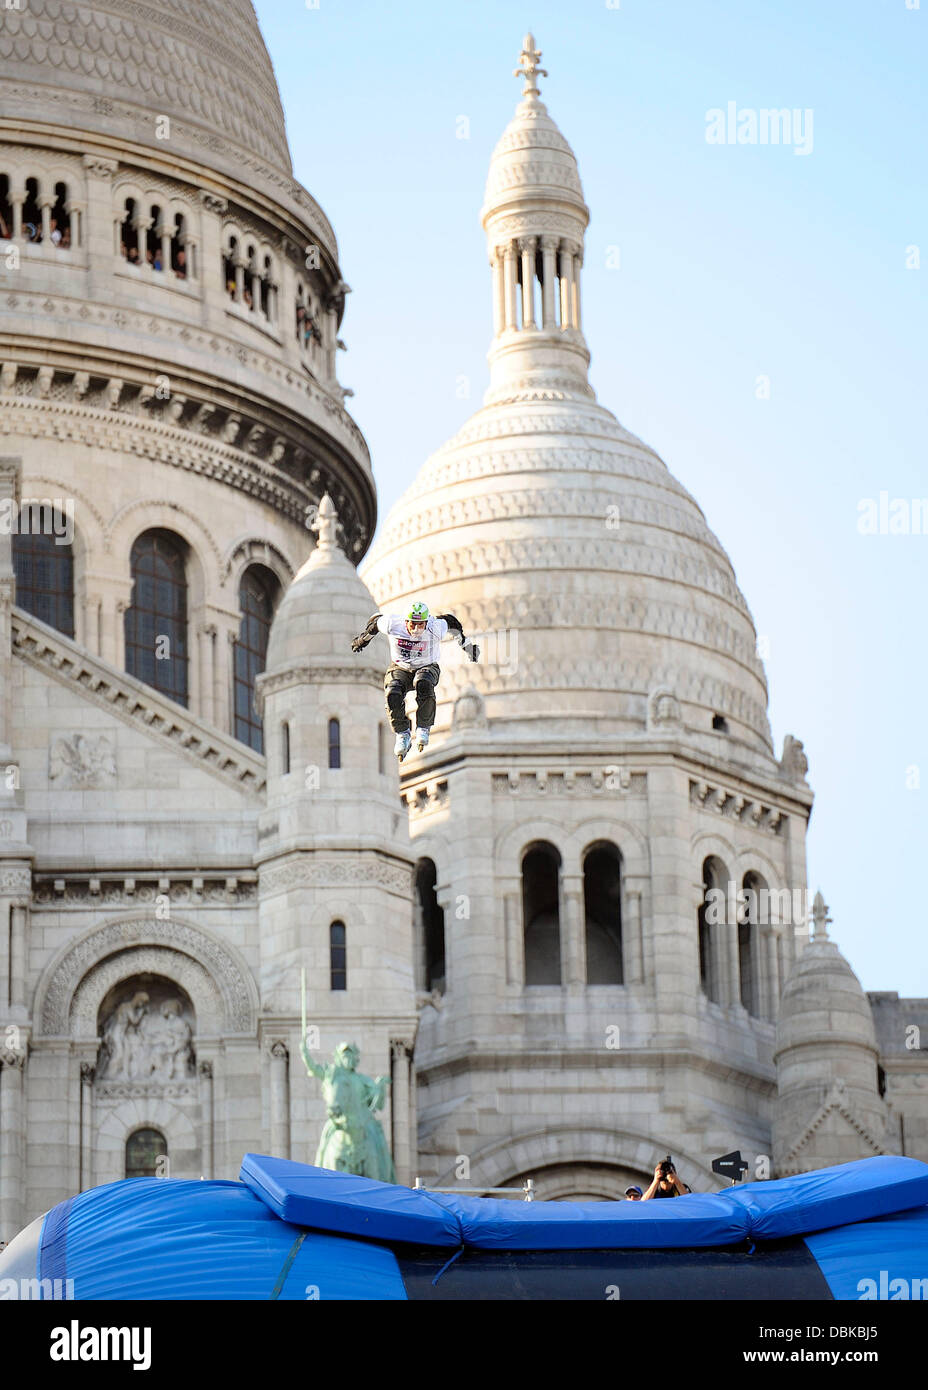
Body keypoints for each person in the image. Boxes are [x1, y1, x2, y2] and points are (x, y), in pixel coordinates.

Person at [350, 601, 479, 759]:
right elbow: (375, 623)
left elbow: (453, 624)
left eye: (421, 625)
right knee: (393, 692)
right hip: (400, 667)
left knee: (423, 682)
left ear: (426, 622)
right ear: (406, 622)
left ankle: (423, 726)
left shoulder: (435, 627)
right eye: (413, 625)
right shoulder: (393, 624)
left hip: (427, 666)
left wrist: (467, 646)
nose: (417, 629)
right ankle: (402, 732)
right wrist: (362, 640)